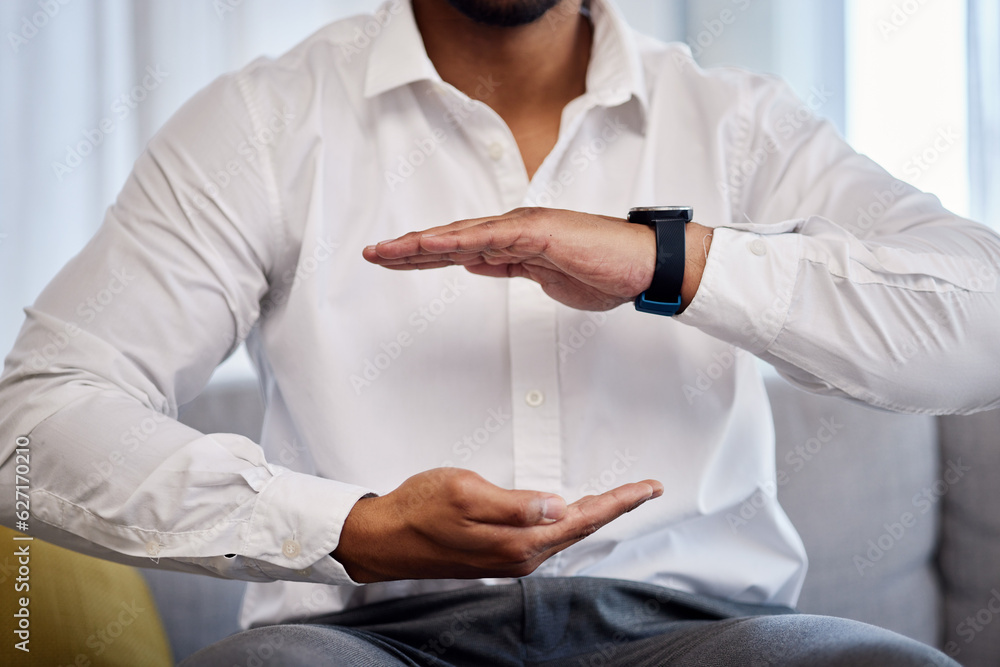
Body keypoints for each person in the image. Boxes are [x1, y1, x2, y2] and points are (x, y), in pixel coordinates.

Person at [1, 0, 996, 664]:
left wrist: (668, 258)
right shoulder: (261, 122)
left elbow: (980, 321)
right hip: (366, 641)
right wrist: (349, 526)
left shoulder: (743, 124)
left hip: (710, 637)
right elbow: (32, 428)